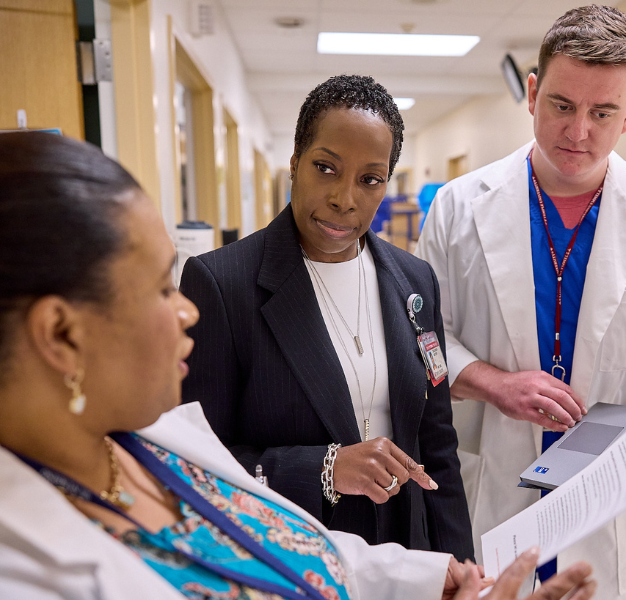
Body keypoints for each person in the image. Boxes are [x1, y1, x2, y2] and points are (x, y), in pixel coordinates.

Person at [0, 132, 599, 600]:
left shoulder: (147, 439)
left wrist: (441, 582)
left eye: (371, 179)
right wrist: (322, 465)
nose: (183, 313)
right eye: (156, 289)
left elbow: (296, 550)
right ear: (61, 335)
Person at [416, 5, 626, 600]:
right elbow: (421, 339)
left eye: (602, 112)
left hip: (604, 496)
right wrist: (492, 382)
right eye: (561, 105)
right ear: (531, 92)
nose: (578, 132)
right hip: (490, 474)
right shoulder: (457, 206)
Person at [180, 75, 473, 560]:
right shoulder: (222, 284)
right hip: (293, 554)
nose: (345, 198)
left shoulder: (414, 281)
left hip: (407, 550)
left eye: (370, 179)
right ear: (294, 163)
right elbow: (198, 462)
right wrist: (325, 467)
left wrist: (460, 565)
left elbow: (436, 443)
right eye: (325, 168)